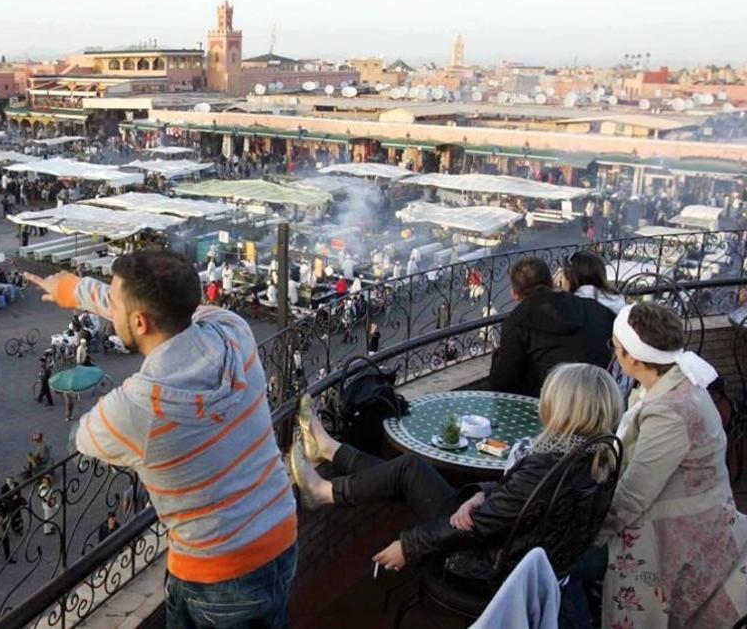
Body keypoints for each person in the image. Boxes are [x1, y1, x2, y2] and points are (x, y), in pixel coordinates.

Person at [26, 250, 297, 627]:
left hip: (217, 571)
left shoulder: (136, 408)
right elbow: (161, 314)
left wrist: (77, 292)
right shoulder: (232, 329)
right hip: (280, 531)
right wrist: (76, 291)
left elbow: (82, 437)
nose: (110, 310)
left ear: (139, 322)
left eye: (115, 304)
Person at [292, 364, 620, 584]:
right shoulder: (596, 455)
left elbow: (482, 524)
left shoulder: (551, 465)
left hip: (485, 561)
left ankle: (323, 489)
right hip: (522, 555)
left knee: (408, 469)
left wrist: (407, 546)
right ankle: (329, 452)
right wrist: (481, 493)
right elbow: (521, 498)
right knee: (408, 471)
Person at [595, 302, 747, 628]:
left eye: (615, 346)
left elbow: (633, 495)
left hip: (685, 531)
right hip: (706, 513)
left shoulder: (669, 412)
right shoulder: (675, 386)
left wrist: (592, 533)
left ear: (632, 357)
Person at [489, 257, 616, 397]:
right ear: (552, 283)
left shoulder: (517, 322)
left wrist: (497, 356)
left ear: (514, 294)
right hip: (600, 399)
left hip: (549, 406)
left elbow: (501, 381)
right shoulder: (597, 310)